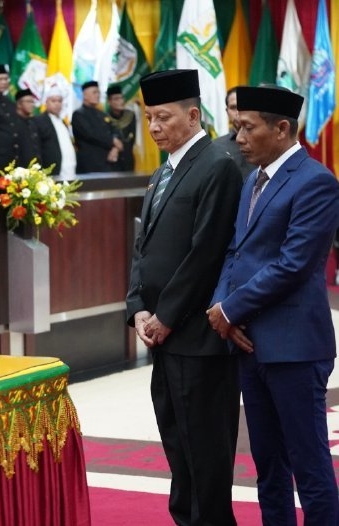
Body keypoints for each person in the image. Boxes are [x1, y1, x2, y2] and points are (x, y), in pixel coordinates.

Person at [207, 85, 339, 524]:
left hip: (295, 348)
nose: (239, 138)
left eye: (248, 128)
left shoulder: (316, 181)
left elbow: (293, 265)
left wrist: (231, 311)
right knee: (268, 467)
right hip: (250, 344)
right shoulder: (253, 180)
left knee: (309, 465)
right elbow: (235, 252)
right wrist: (222, 309)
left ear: (281, 128)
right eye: (236, 127)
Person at [126, 69, 242, 525]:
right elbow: (143, 249)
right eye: (149, 118)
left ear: (193, 115)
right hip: (163, 334)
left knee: (206, 449)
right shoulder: (162, 172)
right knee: (176, 441)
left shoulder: (217, 166)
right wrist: (138, 308)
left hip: (197, 335)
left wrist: (167, 315)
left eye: (164, 117)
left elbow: (206, 252)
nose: (154, 127)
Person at [72, 80, 123, 173]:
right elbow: (91, 134)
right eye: (94, 92)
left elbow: (115, 130)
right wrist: (112, 141)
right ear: (85, 95)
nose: (98, 95)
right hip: (90, 166)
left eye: (98, 92)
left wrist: (115, 148)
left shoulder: (102, 114)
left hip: (109, 164)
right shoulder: (78, 114)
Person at [212, 87, 256, 181]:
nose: (238, 112)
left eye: (243, 106)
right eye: (233, 107)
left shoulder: (264, 142)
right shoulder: (215, 146)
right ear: (227, 111)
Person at [33, 85, 76, 178]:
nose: (57, 104)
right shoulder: (39, 121)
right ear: (46, 102)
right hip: (51, 173)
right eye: (53, 101)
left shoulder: (63, 122)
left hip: (70, 171)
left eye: (59, 101)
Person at [105, 84, 136, 171]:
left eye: (121, 98)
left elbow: (132, 138)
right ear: (109, 102)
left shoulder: (130, 116)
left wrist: (117, 148)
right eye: (116, 99)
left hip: (127, 159)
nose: (121, 101)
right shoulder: (104, 118)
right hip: (111, 161)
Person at [14, 88, 41, 167]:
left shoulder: (34, 123)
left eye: (33, 102)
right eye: (28, 101)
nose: (32, 105)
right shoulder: (13, 124)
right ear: (19, 104)